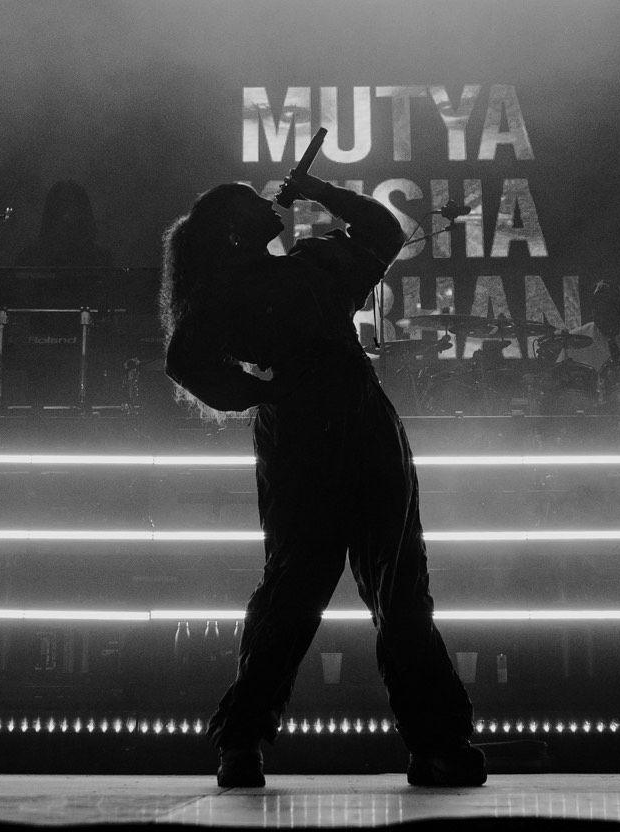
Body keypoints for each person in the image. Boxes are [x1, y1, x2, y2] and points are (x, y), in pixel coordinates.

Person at [160, 174, 484, 788]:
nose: (269, 205)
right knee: (396, 592)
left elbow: (186, 361)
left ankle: (243, 745)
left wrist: (264, 394)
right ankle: (437, 743)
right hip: (359, 433)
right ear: (234, 230)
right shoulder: (309, 270)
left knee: (295, 593)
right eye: (254, 204)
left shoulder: (226, 292)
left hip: (301, 440)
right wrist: (318, 189)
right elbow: (384, 230)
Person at [15, 180, 113, 267]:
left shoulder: (30, 256)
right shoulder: (101, 258)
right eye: (61, 208)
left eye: (73, 208)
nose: (67, 217)